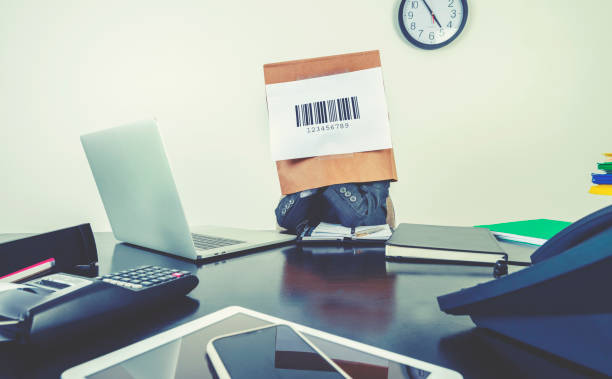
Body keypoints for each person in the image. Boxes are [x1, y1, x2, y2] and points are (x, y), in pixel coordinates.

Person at [275, 180, 393, 235]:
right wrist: (309, 185)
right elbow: (284, 221)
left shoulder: (375, 167)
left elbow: (355, 217)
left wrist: (329, 175)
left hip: (364, 262)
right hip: (311, 265)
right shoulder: (304, 167)